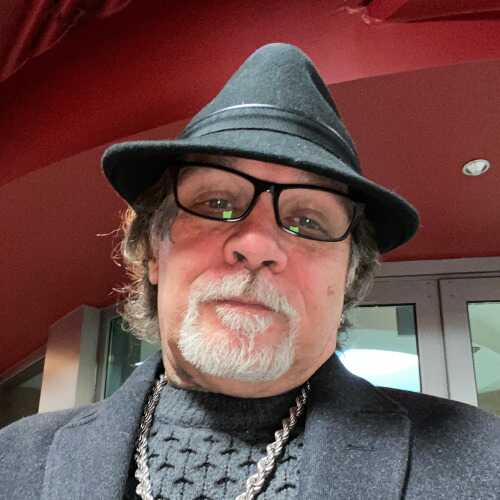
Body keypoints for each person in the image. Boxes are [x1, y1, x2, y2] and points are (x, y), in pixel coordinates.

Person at [1, 43, 499, 500]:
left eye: (308, 221)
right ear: (153, 251)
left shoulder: (483, 464)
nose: (257, 245)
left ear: (348, 277)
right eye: (216, 203)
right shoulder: (12, 463)